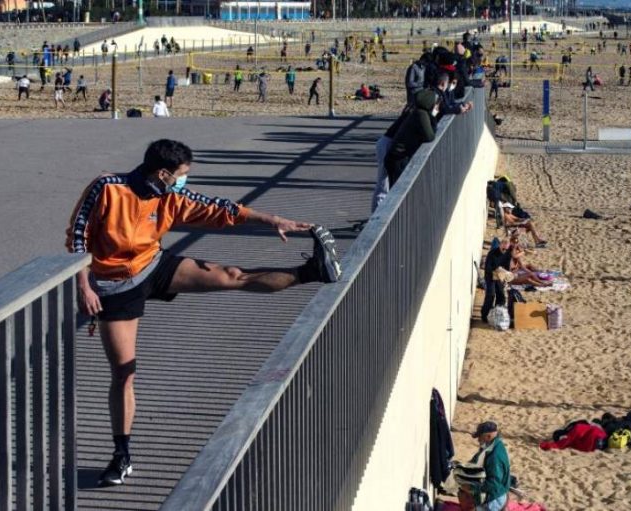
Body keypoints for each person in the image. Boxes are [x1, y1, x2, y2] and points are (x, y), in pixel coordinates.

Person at [66, 139, 341, 486]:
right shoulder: (107, 188)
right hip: (115, 286)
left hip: (153, 265)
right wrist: (84, 286)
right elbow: (78, 238)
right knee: (124, 373)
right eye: (181, 176)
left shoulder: (172, 196)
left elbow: (221, 209)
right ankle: (122, 456)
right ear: (163, 173)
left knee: (232, 276)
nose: (184, 182)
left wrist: (272, 220)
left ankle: (313, 271)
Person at [383, 89, 438, 187]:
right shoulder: (421, 115)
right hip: (398, 158)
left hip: (396, 156)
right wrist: (433, 116)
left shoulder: (417, 112)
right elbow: (430, 136)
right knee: (397, 188)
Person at [459, 421, 510, 511]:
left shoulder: (494, 457)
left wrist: (471, 487)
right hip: (497, 493)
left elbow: (494, 484)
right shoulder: (493, 445)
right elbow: (476, 460)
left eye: (480, 437)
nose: (478, 440)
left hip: (494, 499)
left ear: (488, 436)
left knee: (463, 493)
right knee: (462, 490)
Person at [480, 239, 512, 323]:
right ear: (500, 245)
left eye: (506, 249)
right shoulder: (492, 253)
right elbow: (487, 268)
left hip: (500, 276)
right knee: (491, 294)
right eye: (503, 248)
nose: (504, 251)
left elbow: (507, 268)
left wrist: (505, 275)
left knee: (501, 295)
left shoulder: (508, 254)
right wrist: (496, 271)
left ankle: (497, 314)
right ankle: (485, 315)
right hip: (490, 276)